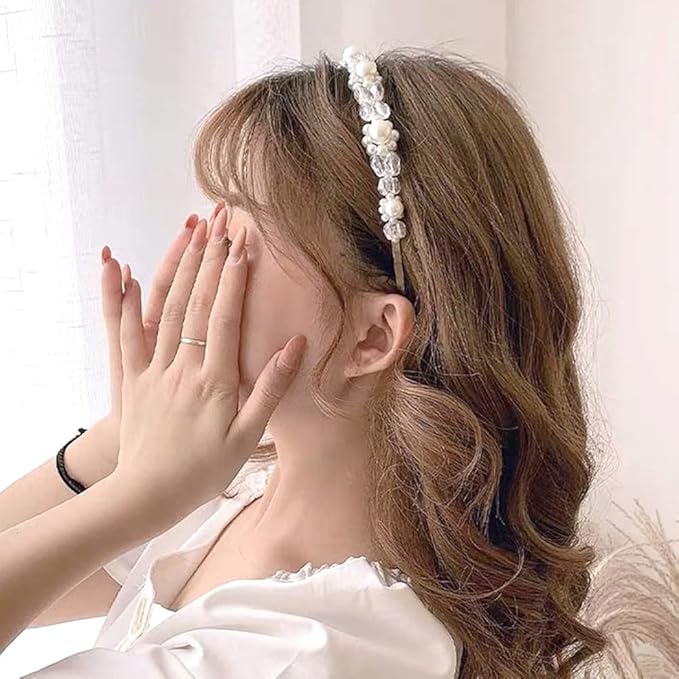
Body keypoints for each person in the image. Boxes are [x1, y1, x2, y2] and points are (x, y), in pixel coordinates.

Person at [0, 45, 607, 677]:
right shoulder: (234, 489)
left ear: (371, 337)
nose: (199, 250)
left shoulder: (309, 649)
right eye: (213, 209)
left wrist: (133, 495)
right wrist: (121, 443)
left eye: (241, 228)